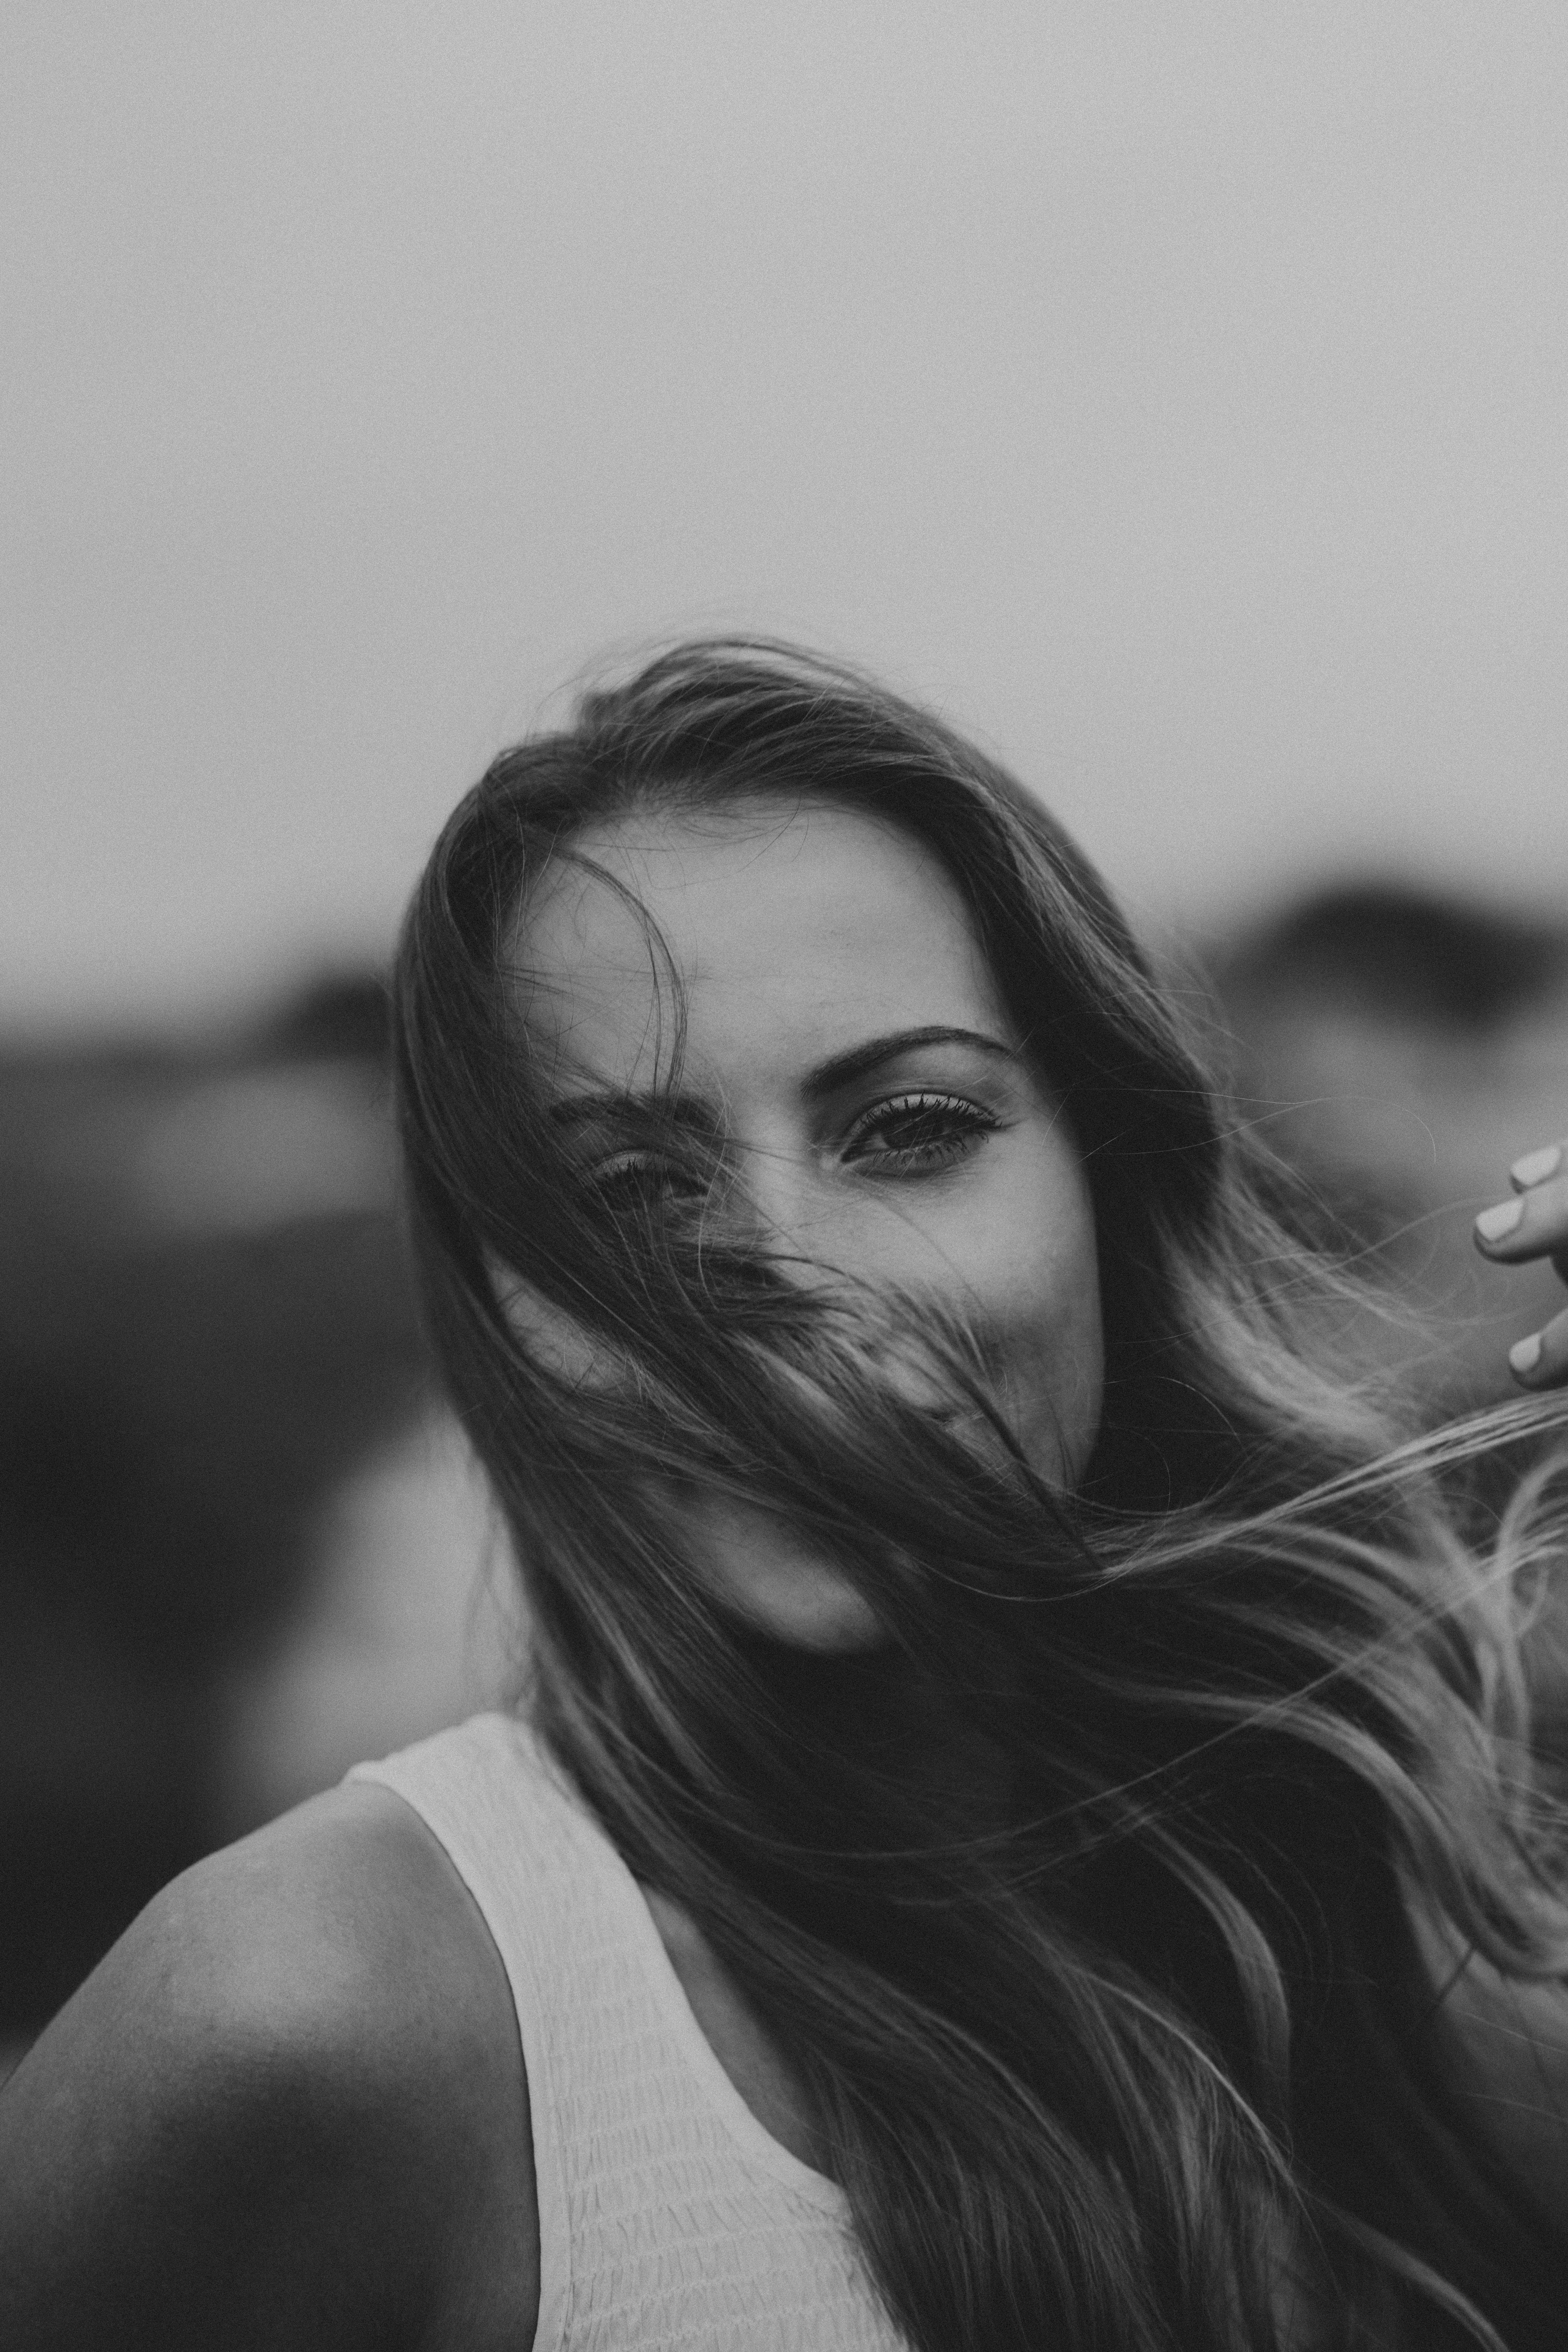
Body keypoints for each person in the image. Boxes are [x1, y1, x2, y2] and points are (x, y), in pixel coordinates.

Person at [2, 641, 1568, 2351]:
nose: (792, 1289)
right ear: (500, 1310)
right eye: (630, 1194)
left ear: (1107, 1188)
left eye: (906, 1127)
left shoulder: (1370, 1910)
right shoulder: (316, 2018)